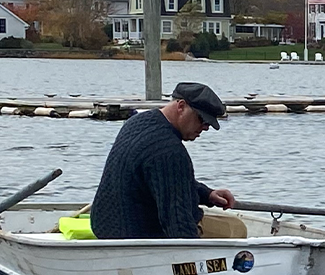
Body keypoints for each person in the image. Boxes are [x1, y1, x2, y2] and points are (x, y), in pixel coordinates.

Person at [88, 82, 237, 239]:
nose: (205, 127)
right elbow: (178, 223)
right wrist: (191, 256)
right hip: (140, 237)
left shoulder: (137, 122)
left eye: (209, 123)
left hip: (106, 227)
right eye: (201, 119)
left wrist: (207, 195)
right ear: (181, 106)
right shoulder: (169, 151)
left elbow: (165, 179)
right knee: (236, 229)